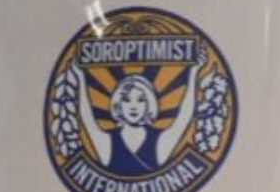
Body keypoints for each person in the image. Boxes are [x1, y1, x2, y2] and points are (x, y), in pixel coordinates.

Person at [74, 50, 202, 176]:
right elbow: (86, 117)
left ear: (149, 104)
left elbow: (185, 117)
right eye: (127, 100)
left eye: (140, 100)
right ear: (118, 105)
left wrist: (193, 73)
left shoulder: (159, 140)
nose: (133, 107)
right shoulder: (107, 141)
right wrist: (80, 77)